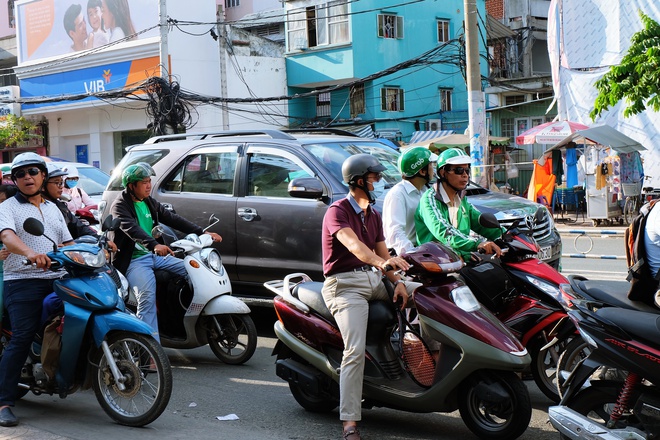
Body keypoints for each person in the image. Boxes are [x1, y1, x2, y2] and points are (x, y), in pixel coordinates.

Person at [321, 153, 412, 440]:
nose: (380, 182)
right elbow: (356, 247)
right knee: (355, 350)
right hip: (345, 285)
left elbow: (384, 254)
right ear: (359, 181)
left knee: (428, 295)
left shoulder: (373, 215)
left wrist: (397, 282)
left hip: (374, 278)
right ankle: (349, 422)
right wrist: (383, 265)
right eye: (375, 177)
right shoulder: (337, 211)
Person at [108, 162, 222, 341]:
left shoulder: (148, 201)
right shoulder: (119, 205)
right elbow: (131, 228)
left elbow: (172, 218)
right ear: (131, 186)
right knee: (146, 299)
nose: (148, 185)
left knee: (196, 271)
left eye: (149, 181)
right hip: (134, 261)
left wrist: (202, 232)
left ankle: (180, 323)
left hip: (154, 256)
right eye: (144, 182)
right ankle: (150, 349)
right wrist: (153, 244)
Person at [0, 153, 74, 427]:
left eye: (32, 171)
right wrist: (31, 253)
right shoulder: (8, 207)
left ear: (43, 175)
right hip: (23, 278)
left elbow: (66, 241)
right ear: (14, 180)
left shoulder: (54, 208)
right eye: (20, 174)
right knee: (21, 337)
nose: (27, 177)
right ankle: (4, 401)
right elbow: (7, 235)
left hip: (59, 276)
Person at [415, 148, 502, 260]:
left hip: (459, 260)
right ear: (443, 172)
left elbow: (479, 222)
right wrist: (478, 243)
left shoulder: (461, 198)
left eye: (467, 170)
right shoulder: (430, 200)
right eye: (459, 170)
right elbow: (445, 232)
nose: (465, 175)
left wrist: (506, 234)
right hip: (437, 264)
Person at [42, 163, 116, 250]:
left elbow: (78, 226)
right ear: (43, 185)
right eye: (57, 183)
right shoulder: (34, 208)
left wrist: (102, 239)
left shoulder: (59, 206)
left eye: (61, 183)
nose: (61, 187)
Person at [383, 147, 437, 255]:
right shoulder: (397, 195)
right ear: (422, 171)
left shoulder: (425, 191)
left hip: (425, 251)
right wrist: (414, 254)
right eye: (431, 165)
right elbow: (395, 232)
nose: (433, 169)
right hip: (404, 255)